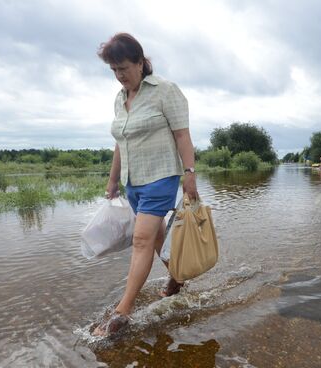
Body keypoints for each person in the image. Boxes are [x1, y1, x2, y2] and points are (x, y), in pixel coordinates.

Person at [93, 33, 198, 337]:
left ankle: (121, 313)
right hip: (133, 183)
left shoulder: (165, 91)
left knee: (141, 241)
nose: (119, 75)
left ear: (140, 62)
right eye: (113, 70)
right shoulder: (119, 98)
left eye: (123, 68)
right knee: (155, 239)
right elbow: (119, 143)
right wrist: (113, 180)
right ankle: (177, 278)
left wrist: (189, 173)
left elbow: (182, 135)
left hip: (161, 177)